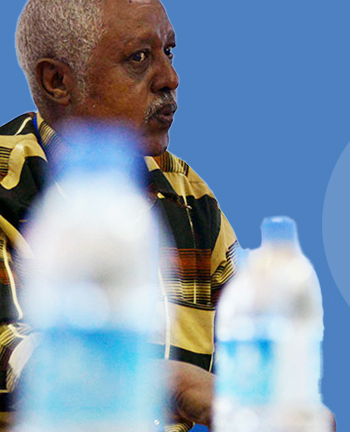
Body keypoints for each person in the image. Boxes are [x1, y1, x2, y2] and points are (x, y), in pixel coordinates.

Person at [0, 0, 237, 430]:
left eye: (169, 52)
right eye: (139, 58)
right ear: (56, 81)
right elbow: (9, 355)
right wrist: (174, 386)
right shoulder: (5, 180)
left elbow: (254, 344)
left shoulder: (189, 194)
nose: (170, 78)